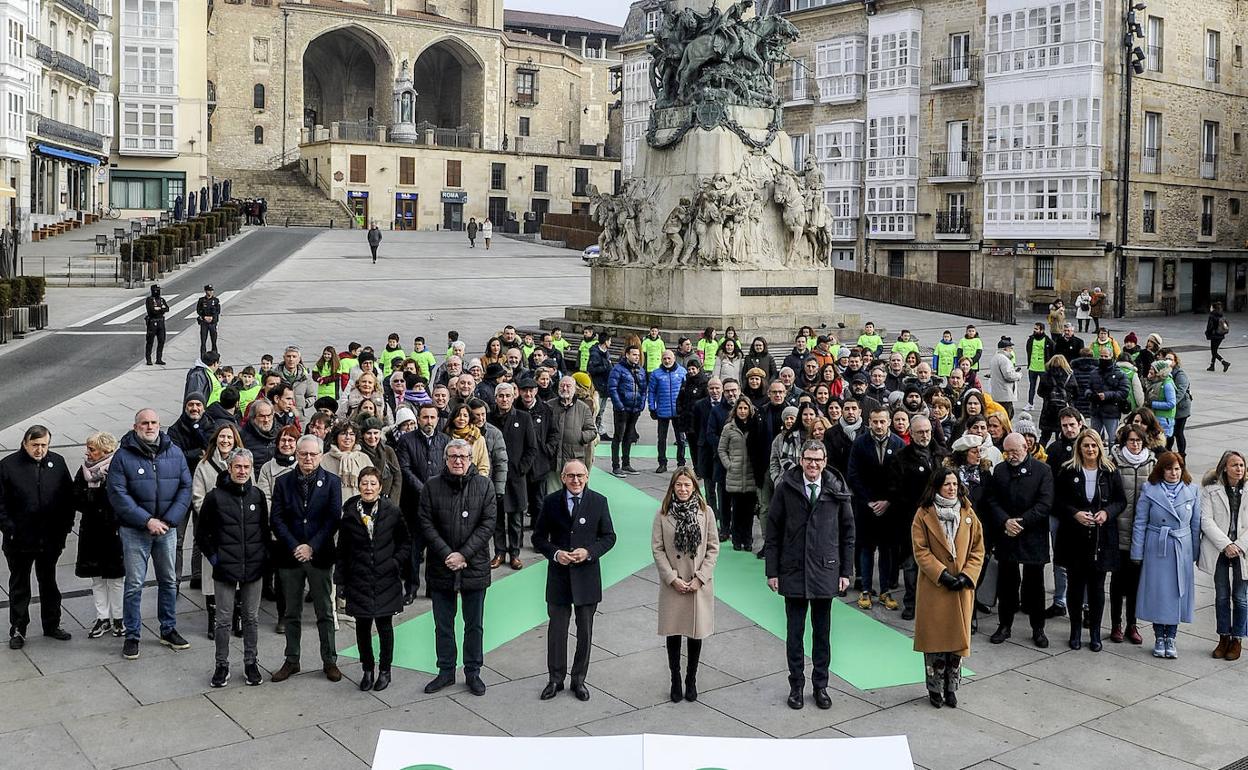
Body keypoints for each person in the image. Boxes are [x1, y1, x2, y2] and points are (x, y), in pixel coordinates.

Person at [765, 440, 853, 710]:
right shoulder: (786, 487)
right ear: (801, 460)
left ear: (825, 461)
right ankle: (796, 686)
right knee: (794, 634)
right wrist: (772, 571)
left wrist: (845, 572)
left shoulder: (836, 488)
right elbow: (773, 530)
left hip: (826, 571)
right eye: (808, 459)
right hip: (792, 570)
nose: (813, 464)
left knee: (822, 634)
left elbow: (848, 532)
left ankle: (821, 686)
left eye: (817, 459)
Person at [106, 409, 194, 659]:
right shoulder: (123, 457)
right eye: (144, 423)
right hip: (135, 531)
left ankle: (168, 629)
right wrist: (147, 521)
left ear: (160, 425)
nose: (150, 426)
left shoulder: (174, 452)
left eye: (154, 422)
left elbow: (185, 487)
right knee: (134, 584)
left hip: (166, 529)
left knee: (168, 581)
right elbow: (118, 494)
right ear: (135, 427)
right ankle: (132, 635)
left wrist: (168, 520)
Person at [533, 460, 617, 701]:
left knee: (585, 632)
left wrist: (589, 552)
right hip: (559, 577)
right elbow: (539, 538)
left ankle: (578, 679)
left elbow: (609, 537)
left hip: (587, 577)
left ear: (587, 476)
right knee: (557, 631)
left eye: (580, 476)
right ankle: (555, 679)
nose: (576, 480)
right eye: (571, 476)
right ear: (563, 477)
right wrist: (556, 554)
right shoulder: (550, 503)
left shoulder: (599, 502)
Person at [418, 439, 495, 696]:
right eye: (452, 456)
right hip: (442, 566)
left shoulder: (484, 486)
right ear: (445, 459)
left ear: (471, 459)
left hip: (474, 565)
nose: (458, 461)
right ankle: (446, 671)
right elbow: (426, 523)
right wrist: (447, 554)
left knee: (474, 624)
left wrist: (463, 554)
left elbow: (487, 524)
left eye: (462, 456)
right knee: (443, 624)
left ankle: (473, 671)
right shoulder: (431, 486)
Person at [269, 435, 343, 682]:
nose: (308, 459)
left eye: (312, 454)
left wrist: (311, 546)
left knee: (324, 611)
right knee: (292, 612)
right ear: (296, 455)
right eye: (303, 454)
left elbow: (332, 518)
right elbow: (276, 519)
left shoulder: (332, 482)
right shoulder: (283, 482)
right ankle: (292, 660)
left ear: (320, 455)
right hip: (290, 557)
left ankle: (329, 660)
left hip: (320, 555)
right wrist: (295, 546)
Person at [196, 447, 268, 688]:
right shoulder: (215, 497)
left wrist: (262, 558)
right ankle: (222, 664)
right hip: (225, 568)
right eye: (238, 467)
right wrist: (216, 559)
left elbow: (264, 531)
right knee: (223, 620)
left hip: (253, 568)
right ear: (229, 468)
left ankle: (251, 662)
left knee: (251, 618)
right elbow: (202, 534)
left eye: (246, 467)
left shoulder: (257, 496)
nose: (242, 471)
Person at [912, 469, 984, 708]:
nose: (952, 488)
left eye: (954, 484)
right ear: (937, 487)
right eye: (947, 484)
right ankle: (934, 687)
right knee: (935, 642)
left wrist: (967, 575)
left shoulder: (968, 514)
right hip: (935, 587)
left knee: (956, 644)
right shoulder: (923, 515)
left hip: (960, 589)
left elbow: (977, 549)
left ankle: (951, 687)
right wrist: (941, 574)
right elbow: (921, 551)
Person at [0, 426, 76, 648]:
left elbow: (67, 498)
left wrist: (65, 527)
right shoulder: (8, 466)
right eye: (35, 445)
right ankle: (18, 628)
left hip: (50, 538)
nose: (40, 449)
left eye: (44, 445)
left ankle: (52, 624)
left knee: (49, 581)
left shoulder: (58, 463)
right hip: (19, 540)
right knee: (19, 583)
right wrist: (10, 530)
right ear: (25, 443)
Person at [337, 466, 410, 691]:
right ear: (358, 485)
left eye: (372, 483)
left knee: (385, 627)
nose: (368, 488)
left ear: (379, 486)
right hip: (358, 578)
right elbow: (343, 549)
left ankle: (385, 670)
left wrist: (394, 563)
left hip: (385, 578)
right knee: (362, 627)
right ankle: (367, 669)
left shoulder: (391, 511)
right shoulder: (349, 512)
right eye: (364, 483)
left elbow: (405, 542)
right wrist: (341, 580)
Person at [1053, 429, 1126, 651]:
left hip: (1101, 539)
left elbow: (1120, 501)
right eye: (1086, 446)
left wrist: (1106, 513)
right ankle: (1075, 629)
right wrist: (1075, 513)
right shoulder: (1068, 471)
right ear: (1080, 448)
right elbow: (1057, 501)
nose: (1090, 450)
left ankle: (1094, 631)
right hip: (1075, 537)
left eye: (1094, 446)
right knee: (1075, 586)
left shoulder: (1109, 471)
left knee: (1096, 588)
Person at [652, 467, 720, 702]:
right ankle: (675, 678)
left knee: (695, 633)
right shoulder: (662, 514)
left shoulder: (706, 512)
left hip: (697, 584)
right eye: (678, 485)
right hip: (674, 584)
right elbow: (658, 549)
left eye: (687, 485)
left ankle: (691, 679)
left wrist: (701, 577)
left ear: (694, 488)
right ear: (673, 487)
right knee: (673, 633)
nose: (682, 489)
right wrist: (672, 578)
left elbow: (713, 547)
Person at [987, 433, 1055, 648]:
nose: (1011, 456)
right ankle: (1004, 625)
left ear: (1026, 447)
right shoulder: (1000, 470)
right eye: (1007, 452)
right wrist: (1005, 521)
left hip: (1032, 535)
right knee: (1007, 584)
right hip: (1007, 535)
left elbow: (1045, 503)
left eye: (1015, 451)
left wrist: (1022, 522)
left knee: (1034, 586)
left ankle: (1038, 629)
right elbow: (992, 499)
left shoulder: (1043, 471)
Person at [1132, 451, 1201, 658]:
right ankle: (1158, 637)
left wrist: (1195, 553)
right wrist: (1137, 551)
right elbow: (1140, 522)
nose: (1174, 473)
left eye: (1178, 468)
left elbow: (1196, 524)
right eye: (1169, 468)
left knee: (1176, 593)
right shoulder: (1149, 489)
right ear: (1161, 470)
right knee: (1158, 592)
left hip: (1181, 547)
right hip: (1157, 547)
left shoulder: (1192, 490)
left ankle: (1171, 636)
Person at [889, 415, 947, 621]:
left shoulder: (941, 454)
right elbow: (895, 490)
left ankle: (934, 602)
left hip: (940, 519)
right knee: (911, 563)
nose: (924, 435)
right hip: (912, 518)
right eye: (920, 432)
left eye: (927, 431)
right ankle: (911, 603)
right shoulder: (901, 457)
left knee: (938, 562)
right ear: (911, 434)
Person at [191, 423, 247, 638]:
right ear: (216, 440)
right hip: (214, 529)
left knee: (238, 573)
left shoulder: (242, 462)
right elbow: (198, 497)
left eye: (229, 438)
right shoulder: (204, 466)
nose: (225, 441)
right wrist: (214, 515)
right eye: (222, 437)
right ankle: (213, 618)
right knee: (210, 575)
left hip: (237, 529)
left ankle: (237, 616)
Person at [848, 406, 904, 610]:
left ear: (889, 422)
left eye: (882, 421)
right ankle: (865, 590)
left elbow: (901, 478)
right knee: (866, 547)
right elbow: (853, 474)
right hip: (866, 506)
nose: (879, 426)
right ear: (869, 422)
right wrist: (868, 501)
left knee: (888, 550)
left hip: (889, 508)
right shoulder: (860, 443)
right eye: (875, 422)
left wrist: (888, 501)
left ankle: (885, 591)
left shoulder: (899, 444)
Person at [395, 403, 450, 603]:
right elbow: (405, 469)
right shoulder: (406, 441)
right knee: (413, 549)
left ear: (437, 419)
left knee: (436, 548)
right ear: (418, 419)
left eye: (432, 417)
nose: (428, 421)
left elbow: (448, 467)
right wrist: (425, 490)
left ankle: (432, 588)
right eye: (425, 417)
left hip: (439, 504)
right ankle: (410, 589)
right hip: (413, 504)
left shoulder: (445, 440)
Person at [73, 432, 126, 638]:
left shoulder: (118, 468)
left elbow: (120, 498)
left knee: (115, 578)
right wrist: (89, 497)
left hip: (113, 531)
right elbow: (75, 496)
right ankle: (102, 618)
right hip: (91, 531)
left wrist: (93, 496)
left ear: (106, 451)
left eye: (92, 449)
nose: (87, 452)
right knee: (96, 578)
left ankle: (119, 619)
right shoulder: (84, 470)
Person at [1198, 450, 1247, 661]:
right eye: (1234, 465)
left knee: (1241, 598)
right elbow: (1206, 520)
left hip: (1243, 550)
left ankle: (1237, 639)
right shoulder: (1211, 490)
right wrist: (1226, 544)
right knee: (1221, 596)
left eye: (1242, 465)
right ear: (1224, 467)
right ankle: (1223, 637)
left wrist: (1239, 545)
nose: (1239, 469)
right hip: (1220, 548)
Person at [1108, 425, 1154, 645]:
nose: (1135, 444)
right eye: (1131, 440)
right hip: (1118, 530)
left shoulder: (1152, 463)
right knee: (1117, 581)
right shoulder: (1114, 462)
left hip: (1141, 533)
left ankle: (1132, 624)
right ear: (1124, 442)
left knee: (1135, 582)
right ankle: (1115, 624)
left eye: (1138, 441)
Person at [489, 383, 536, 570]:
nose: (504, 399)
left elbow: (531, 448)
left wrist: (521, 469)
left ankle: (515, 553)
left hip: (516, 478)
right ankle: (499, 552)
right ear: (496, 398)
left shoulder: (523, 418)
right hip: (495, 478)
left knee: (516, 519)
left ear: (513, 397)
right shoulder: (490, 418)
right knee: (497, 519)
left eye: (508, 395)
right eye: (501, 396)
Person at [718, 396, 768, 552]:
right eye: (740, 408)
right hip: (735, 473)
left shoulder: (756, 425)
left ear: (750, 410)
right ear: (736, 410)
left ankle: (748, 539)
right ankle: (736, 539)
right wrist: (729, 465)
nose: (742, 411)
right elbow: (721, 449)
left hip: (751, 474)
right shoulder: (729, 428)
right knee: (737, 510)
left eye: (745, 408)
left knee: (749, 511)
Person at [608, 345, 646, 478]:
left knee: (629, 436)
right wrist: (619, 406)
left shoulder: (640, 370)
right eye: (634, 354)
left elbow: (643, 389)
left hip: (634, 408)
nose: (636, 357)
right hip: (622, 408)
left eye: (638, 355)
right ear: (627, 355)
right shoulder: (618, 369)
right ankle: (615, 465)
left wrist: (641, 405)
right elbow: (612, 388)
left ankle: (626, 463)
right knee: (618, 436)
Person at [649, 350, 686, 473]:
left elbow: (686, 391)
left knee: (680, 439)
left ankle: (681, 463)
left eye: (669, 358)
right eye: (664, 358)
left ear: (674, 358)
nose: (667, 361)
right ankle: (662, 462)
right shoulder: (656, 374)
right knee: (661, 439)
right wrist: (651, 407)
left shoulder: (682, 372)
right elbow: (652, 392)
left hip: (678, 411)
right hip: (662, 411)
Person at [989, 337, 1021, 418]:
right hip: (1005, 394)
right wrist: (1018, 375)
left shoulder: (995, 357)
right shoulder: (1004, 359)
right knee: (1006, 416)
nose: (1011, 350)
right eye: (1010, 348)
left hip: (997, 393)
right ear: (1005, 349)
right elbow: (1009, 376)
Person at [1024, 322, 1053, 411]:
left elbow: (1052, 351)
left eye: (1037, 329)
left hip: (1043, 368)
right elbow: (1028, 350)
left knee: (1045, 387)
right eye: (1034, 328)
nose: (1034, 330)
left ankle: (1046, 403)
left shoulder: (1048, 340)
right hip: (1032, 367)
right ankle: (1030, 403)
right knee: (1032, 386)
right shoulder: (1031, 339)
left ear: (1042, 330)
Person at [144, 284, 170, 366]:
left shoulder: (161, 299)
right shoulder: (150, 300)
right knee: (150, 341)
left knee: (161, 340)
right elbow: (152, 311)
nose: (158, 292)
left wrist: (160, 309)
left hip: (161, 322)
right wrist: (160, 309)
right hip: (152, 322)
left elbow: (167, 308)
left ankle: (159, 358)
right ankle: (148, 359)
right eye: (157, 290)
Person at [196, 284, 221, 358]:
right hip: (204, 323)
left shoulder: (215, 300)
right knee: (203, 340)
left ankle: (215, 354)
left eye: (211, 291)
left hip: (212, 323)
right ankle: (203, 355)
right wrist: (204, 317)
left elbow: (218, 311)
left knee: (214, 340)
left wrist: (212, 317)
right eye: (209, 291)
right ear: (206, 291)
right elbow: (198, 310)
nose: (210, 292)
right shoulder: (202, 300)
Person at [1206, 301, 1231, 372]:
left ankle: (1224, 362)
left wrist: (1207, 333)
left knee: (1214, 352)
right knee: (1214, 351)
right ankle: (1212, 366)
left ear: (1213, 308)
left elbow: (1210, 327)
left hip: (1214, 335)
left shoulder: (1212, 316)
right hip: (1221, 335)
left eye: (1211, 307)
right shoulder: (1221, 314)